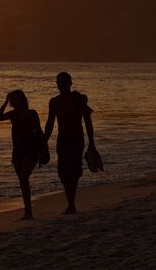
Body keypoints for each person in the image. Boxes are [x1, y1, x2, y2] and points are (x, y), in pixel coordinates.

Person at [44, 71, 95, 214]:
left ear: (70, 83)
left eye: (64, 83)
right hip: (62, 140)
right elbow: (50, 123)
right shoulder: (54, 102)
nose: (61, 85)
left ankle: (71, 203)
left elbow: (88, 121)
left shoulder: (78, 99)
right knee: (64, 173)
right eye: (59, 83)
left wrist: (92, 142)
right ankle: (70, 204)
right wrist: (44, 142)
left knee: (75, 172)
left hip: (77, 139)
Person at [0, 89, 43, 220]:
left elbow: (39, 131)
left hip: (31, 150)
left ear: (22, 99)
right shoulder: (13, 114)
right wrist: (5, 102)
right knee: (23, 182)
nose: (14, 102)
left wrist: (41, 150)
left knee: (23, 177)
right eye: (12, 100)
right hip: (17, 151)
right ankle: (28, 212)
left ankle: (28, 212)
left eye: (16, 99)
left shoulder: (31, 113)